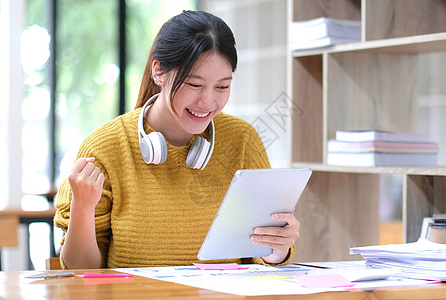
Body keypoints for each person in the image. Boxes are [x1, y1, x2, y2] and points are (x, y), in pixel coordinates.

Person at [54, 10, 300, 269]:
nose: (207, 102)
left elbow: (261, 254)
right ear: (159, 72)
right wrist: (82, 207)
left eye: (222, 87)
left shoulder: (242, 140)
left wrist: (277, 248)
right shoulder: (105, 148)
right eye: (194, 85)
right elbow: (81, 272)